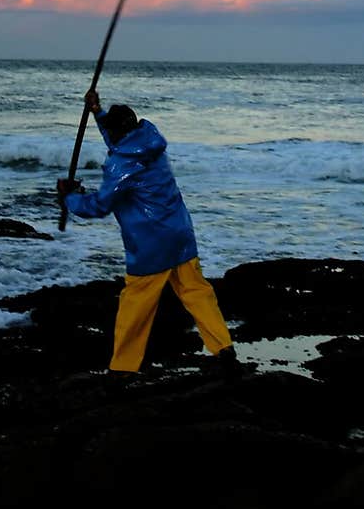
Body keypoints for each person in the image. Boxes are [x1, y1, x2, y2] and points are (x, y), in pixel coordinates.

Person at [57, 90, 238, 377]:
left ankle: (122, 368)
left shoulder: (122, 164)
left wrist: (70, 199)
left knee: (135, 306)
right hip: (179, 234)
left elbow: (101, 204)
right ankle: (223, 348)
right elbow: (120, 144)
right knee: (197, 293)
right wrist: (97, 112)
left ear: (119, 133)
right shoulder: (149, 142)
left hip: (150, 244)